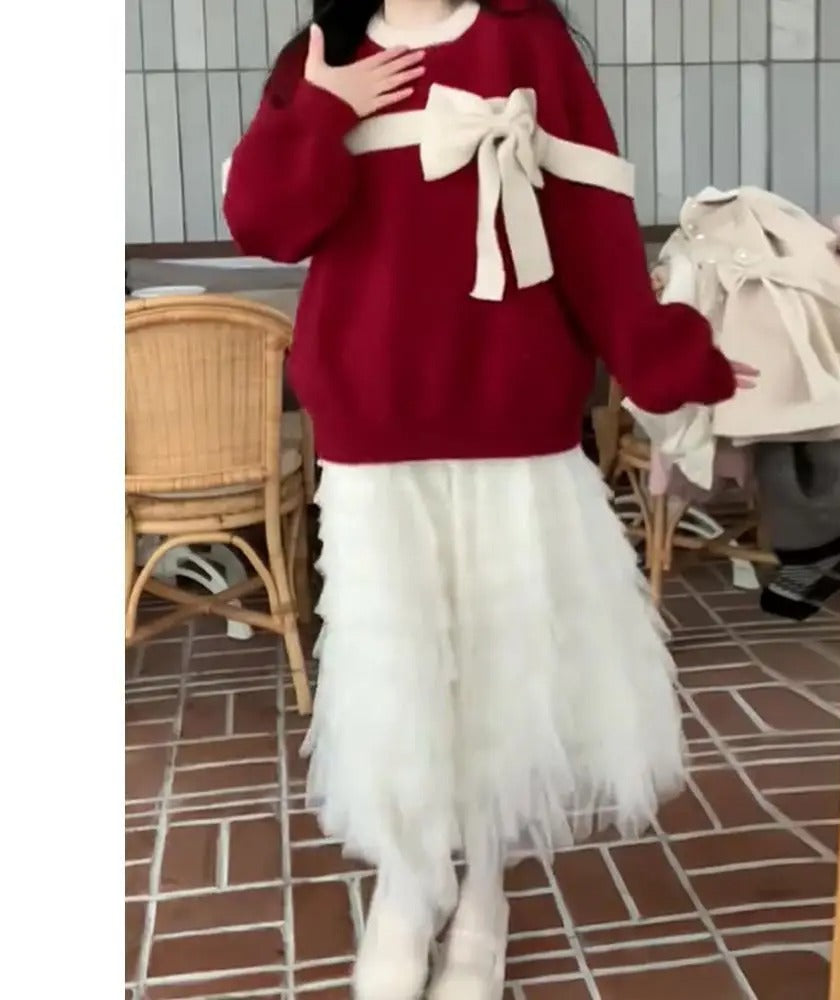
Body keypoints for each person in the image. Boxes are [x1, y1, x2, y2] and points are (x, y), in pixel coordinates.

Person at [224, 2, 756, 997]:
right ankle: (409, 880)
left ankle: (484, 893)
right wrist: (323, 108)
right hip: (373, 421)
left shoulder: (527, 41)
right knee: (394, 660)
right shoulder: (325, 53)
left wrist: (664, 356)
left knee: (502, 660)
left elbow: (592, 231)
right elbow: (266, 225)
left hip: (513, 413)